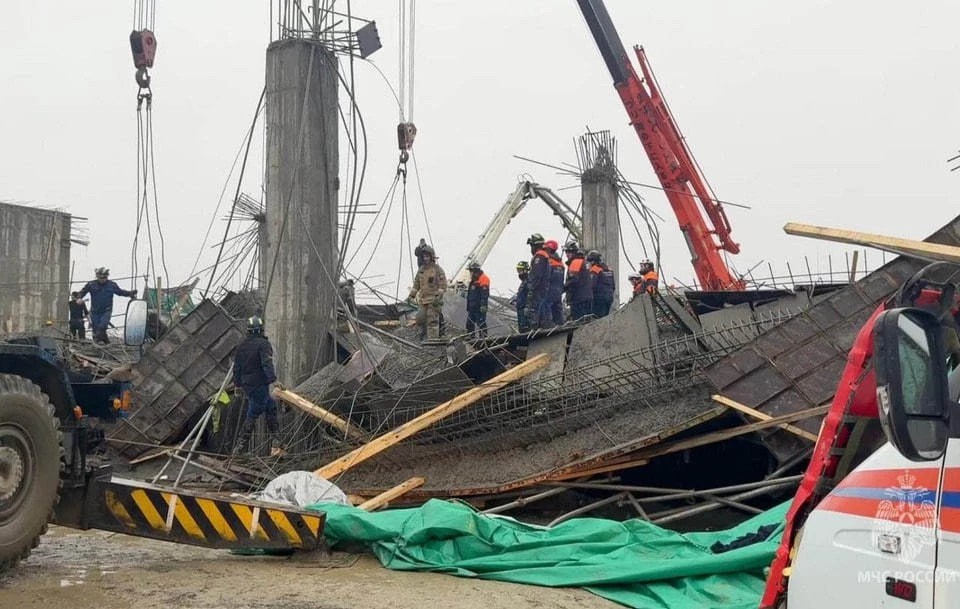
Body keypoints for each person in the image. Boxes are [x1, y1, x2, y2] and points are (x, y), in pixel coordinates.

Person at [233, 316, 283, 455]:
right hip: (259, 384)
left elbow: (237, 368)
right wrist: (273, 380)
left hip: (248, 385)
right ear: (261, 329)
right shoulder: (263, 344)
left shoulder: (241, 346)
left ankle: (276, 445)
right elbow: (266, 363)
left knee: (271, 406)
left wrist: (237, 385)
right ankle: (239, 450)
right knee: (255, 411)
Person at [77, 267, 137, 344]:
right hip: (95, 312)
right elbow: (82, 292)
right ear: (97, 276)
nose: (102, 279)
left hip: (106, 311)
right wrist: (79, 298)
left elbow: (120, 292)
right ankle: (105, 342)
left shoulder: (112, 285)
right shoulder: (91, 284)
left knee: (102, 326)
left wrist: (130, 293)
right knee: (96, 330)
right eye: (101, 277)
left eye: (104, 277)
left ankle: (98, 342)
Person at [407, 244, 447, 340]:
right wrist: (411, 296)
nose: (426, 259)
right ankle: (424, 336)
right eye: (424, 256)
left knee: (432, 320)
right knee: (420, 319)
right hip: (423, 300)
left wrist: (438, 296)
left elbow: (443, 285)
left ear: (431, 257)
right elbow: (416, 284)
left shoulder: (437, 269)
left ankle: (433, 340)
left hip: (433, 301)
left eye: (427, 256)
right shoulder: (421, 270)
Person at [523, 234, 551, 331]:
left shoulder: (539, 256)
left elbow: (536, 275)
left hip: (538, 289)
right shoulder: (544, 255)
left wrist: (531, 287)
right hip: (543, 289)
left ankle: (536, 330)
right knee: (541, 311)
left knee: (534, 311)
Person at [563, 242, 593, 321]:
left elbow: (573, 279)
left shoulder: (576, 262)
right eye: (566, 252)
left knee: (578, 322)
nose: (567, 254)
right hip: (587, 297)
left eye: (568, 252)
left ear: (573, 252)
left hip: (579, 298)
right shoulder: (584, 261)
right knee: (586, 322)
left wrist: (562, 288)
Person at [587, 250, 615, 318]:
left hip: (599, 298)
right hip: (609, 298)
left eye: (589, 262)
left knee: (596, 319)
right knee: (604, 319)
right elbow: (613, 286)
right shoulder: (609, 270)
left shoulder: (595, 270)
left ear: (592, 261)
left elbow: (591, 285)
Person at [465, 262, 490, 339]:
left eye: (471, 271)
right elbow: (470, 295)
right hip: (472, 307)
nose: (470, 273)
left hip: (479, 307)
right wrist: (468, 307)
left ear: (475, 271)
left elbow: (484, 294)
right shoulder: (473, 280)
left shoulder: (483, 278)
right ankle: (471, 337)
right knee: (469, 324)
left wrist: (483, 306)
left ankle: (483, 339)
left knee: (481, 323)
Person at [544, 240, 565, 326]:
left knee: (547, 307)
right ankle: (560, 326)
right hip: (558, 290)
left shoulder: (549, 262)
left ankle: (548, 326)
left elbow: (546, 277)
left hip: (550, 289)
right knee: (558, 309)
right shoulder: (561, 263)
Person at [514, 261, 530, 332]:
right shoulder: (524, 282)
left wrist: (527, 306)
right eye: (518, 271)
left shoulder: (529, 281)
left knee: (525, 329)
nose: (519, 273)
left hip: (525, 310)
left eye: (520, 271)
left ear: (525, 270)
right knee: (522, 329)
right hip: (520, 309)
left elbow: (530, 295)